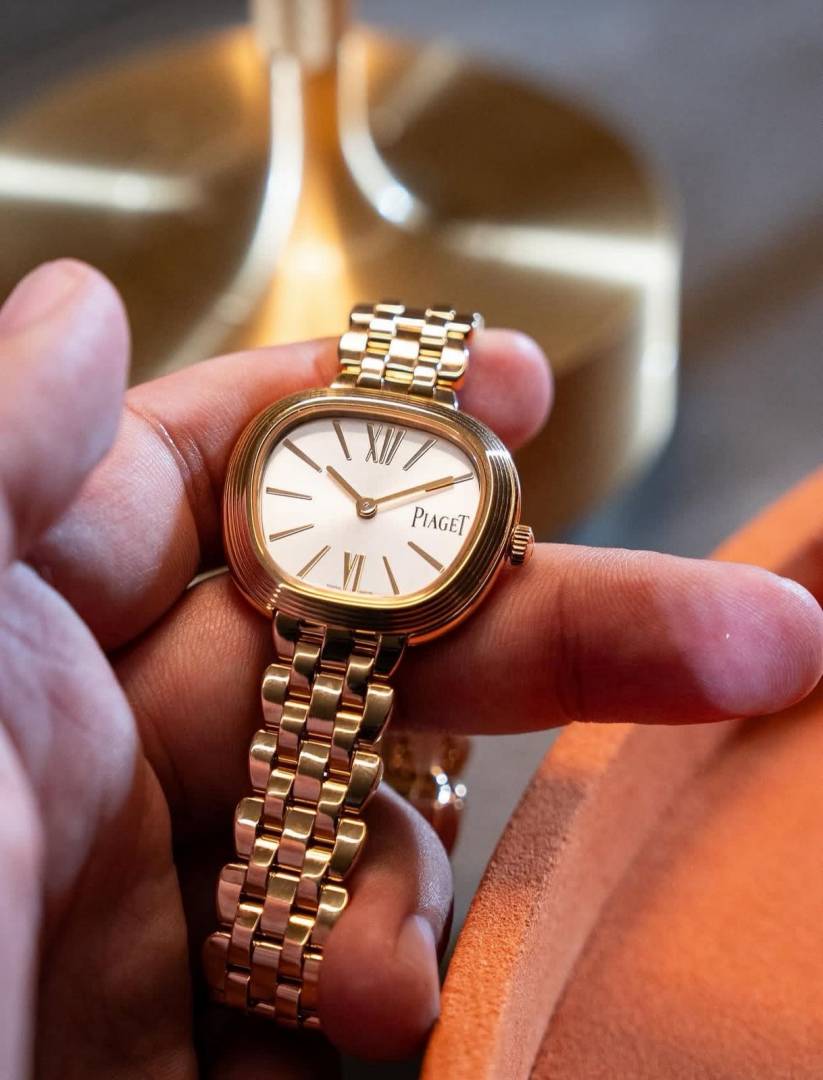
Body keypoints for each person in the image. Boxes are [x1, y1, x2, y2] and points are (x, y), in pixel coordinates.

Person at [1, 260, 820, 1078]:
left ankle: (265, 965)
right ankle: (263, 965)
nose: (364, 507)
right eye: (354, 496)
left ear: (502, 548)